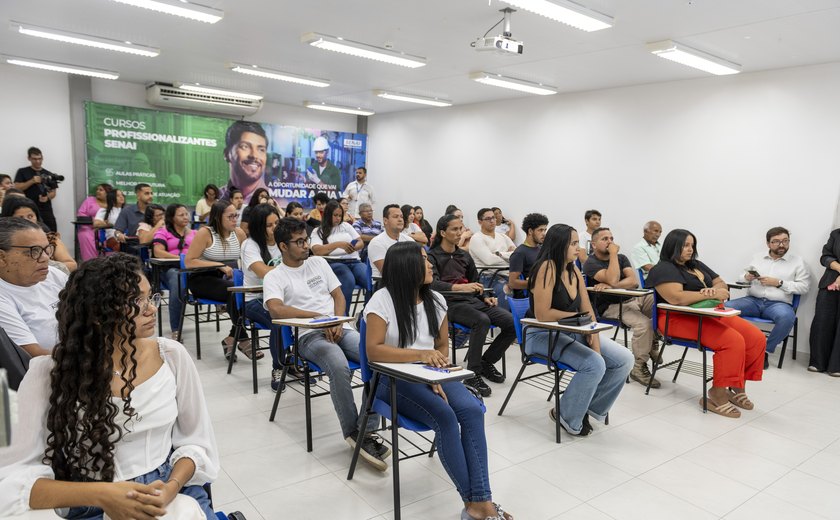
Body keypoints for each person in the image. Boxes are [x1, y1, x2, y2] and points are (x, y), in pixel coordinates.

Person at [0, 254, 219, 518]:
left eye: (151, 297)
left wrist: (171, 487)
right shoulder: (49, 373)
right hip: (87, 498)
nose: (151, 308)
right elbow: (13, 476)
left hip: (165, 485)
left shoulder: (171, 356)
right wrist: (102, 495)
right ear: (98, 312)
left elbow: (196, 440)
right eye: (136, 301)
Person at [365, 242, 514, 520]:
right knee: (445, 416)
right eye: (424, 260)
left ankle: (480, 502)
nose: (431, 264)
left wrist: (433, 371)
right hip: (392, 379)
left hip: (430, 374)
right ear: (407, 266)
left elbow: (442, 346)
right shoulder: (381, 300)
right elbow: (374, 351)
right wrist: (421, 356)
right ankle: (478, 505)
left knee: (471, 410)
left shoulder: (435, 300)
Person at [263, 217, 388, 470]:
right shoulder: (275, 276)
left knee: (376, 358)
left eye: (306, 239)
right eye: (299, 242)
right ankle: (353, 432)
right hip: (307, 336)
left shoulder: (318, 262)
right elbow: (276, 310)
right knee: (339, 366)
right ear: (283, 247)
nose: (305, 245)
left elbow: (338, 295)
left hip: (338, 328)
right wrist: (318, 318)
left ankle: (366, 427)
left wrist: (336, 321)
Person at [526, 224, 634, 436]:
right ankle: (566, 415)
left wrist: (593, 336)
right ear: (559, 245)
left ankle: (583, 407)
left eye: (578, 243)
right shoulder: (546, 268)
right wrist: (578, 319)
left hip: (573, 330)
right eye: (573, 244)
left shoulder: (573, 269)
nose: (579, 248)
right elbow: (543, 315)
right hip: (541, 334)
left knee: (625, 359)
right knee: (594, 365)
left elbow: (587, 310)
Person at [646, 229, 766, 418]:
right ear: (673, 246)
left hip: (708, 314)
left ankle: (735, 385)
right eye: (685, 245)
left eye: (692, 245)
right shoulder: (663, 268)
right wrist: (707, 293)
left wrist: (716, 290)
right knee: (732, 341)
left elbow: (720, 283)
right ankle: (716, 395)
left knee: (756, 337)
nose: (690, 249)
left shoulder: (696, 265)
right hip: (676, 318)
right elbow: (676, 297)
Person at [428, 215, 516, 397]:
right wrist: (460, 287)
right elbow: (432, 284)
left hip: (472, 300)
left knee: (511, 322)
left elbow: (475, 282)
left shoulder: (463, 255)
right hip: (448, 303)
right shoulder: (432, 256)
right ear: (443, 233)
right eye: (454, 229)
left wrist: (485, 297)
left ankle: (485, 362)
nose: (460, 232)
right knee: (481, 321)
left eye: (461, 228)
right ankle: (473, 373)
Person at [583, 227, 659, 388]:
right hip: (610, 306)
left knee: (659, 303)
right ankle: (638, 367)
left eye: (611, 238)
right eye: (605, 239)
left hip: (633, 299)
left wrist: (611, 285)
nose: (610, 242)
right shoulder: (590, 263)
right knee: (644, 324)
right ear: (594, 245)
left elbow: (633, 282)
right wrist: (612, 256)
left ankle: (652, 342)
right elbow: (612, 276)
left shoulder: (622, 257)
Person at [728, 226, 811, 369]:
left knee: (787, 318)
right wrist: (747, 277)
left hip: (778, 304)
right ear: (768, 244)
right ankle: (736, 345)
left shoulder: (798, 261)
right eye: (776, 241)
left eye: (785, 241)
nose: (781, 245)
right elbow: (741, 278)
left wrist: (779, 283)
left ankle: (763, 351)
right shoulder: (757, 257)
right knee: (725, 308)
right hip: (752, 301)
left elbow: (804, 287)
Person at [185, 200, 257, 360]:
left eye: (236, 216)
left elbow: (247, 260)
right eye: (230, 216)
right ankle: (244, 339)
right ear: (218, 217)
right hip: (201, 279)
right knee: (234, 293)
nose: (234, 220)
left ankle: (231, 338)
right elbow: (189, 261)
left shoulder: (239, 234)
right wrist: (219, 265)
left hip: (226, 280)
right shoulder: (205, 233)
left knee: (243, 292)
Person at [0, 217, 68, 357]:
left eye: (47, 249)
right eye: (34, 251)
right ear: (2, 257)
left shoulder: (53, 275)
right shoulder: (3, 297)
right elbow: (35, 355)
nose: (45, 258)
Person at [239, 203, 286, 391]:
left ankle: (295, 362)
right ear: (259, 226)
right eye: (269, 225)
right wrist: (290, 272)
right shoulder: (250, 245)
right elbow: (264, 272)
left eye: (277, 223)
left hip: (282, 296)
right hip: (254, 299)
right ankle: (279, 368)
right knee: (279, 319)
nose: (275, 228)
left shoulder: (283, 241)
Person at [310, 201, 367, 314]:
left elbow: (360, 242)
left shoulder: (346, 226)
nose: (338, 218)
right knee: (348, 280)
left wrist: (354, 247)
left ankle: (365, 314)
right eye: (335, 215)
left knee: (370, 280)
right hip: (334, 263)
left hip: (354, 260)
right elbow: (316, 250)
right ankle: (343, 317)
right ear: (327, 215)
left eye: (340, 215)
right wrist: (338, 245)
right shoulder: (318, 230)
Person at [152, 204, 196, 340]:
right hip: (170, 269)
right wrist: (181, 258)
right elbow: (157, 251)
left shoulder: (195, 233)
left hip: (192, 269)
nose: (185, 217)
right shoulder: (163, 232)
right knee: (178, 279)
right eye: (181, 215)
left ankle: (222, 304)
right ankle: (176, 329)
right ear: (171, 218)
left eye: (186, 214)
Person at [1, 197, 76, 274]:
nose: (27, 221)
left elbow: (72, 265)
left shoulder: (50, 239)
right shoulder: (4, 243)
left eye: (30, 216)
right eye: (20, 218)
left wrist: (43, 267)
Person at [469, 208, 516, 311]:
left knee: (529, 286)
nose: (492, 221)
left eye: (493, 218)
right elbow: (489, 261)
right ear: (480, 222)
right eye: (488, 219)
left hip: (507, 274)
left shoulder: (503, 237)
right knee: (506, 288)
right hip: (487, 276)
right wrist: (508, 256)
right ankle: (506, 323)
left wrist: (499, 254)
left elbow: (516, 256)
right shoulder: (477, 238)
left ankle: (520, 320)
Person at [808, 227, 840, 376]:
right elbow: (825, 257)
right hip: (830, 283)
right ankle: (817, 362)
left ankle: (836, 366)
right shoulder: (836, 233)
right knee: (822, 322)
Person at [220, 120, 268, 203]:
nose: (254, 155)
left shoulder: (274, 201)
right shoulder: (217, 197)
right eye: (245, 146)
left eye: (261, 149)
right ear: (227, 154)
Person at [14, 147, 58, 232]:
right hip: (28, 208)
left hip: (46, 210)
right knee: (29, 232)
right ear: (29, 158)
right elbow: (17, 187)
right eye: (34, 159)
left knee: (51, 232)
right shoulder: (22, 171)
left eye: (39, 158)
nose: (38, 161)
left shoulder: (49, 174)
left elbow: (53, 193)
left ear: (42, 158)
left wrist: (47, 197)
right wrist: (32, 181)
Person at [368, 204, 413, 279]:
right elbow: (387, 272)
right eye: (395, 217)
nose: (400, 219)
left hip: (408, 280)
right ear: (385, 221)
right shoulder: (376, 243)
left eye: (401, 216)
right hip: (385, 283)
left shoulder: (409, 240)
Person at [509, 213, 548, 299]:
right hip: (531, 297)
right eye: (540, 230)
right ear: (530, 231)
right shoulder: (519, 253)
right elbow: (512, 283)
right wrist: (538, 284)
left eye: (545, 230)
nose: (544, 233)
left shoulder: (542, 249)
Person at [75, 183, 113, 261]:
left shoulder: (112, 204)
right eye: (97, 189)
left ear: (108, 193)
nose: (98, 191)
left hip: (106, 229)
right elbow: (80, 214)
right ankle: (91, 263)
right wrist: (93, 219)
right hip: (88, 228)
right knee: (85, 235)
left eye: (101, 190)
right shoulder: (89, 200)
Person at [114, 183, 154, 254]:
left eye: (151, 193)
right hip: (134, 245)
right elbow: (117, 231)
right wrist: (119, 235)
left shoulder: (156, 210)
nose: (150, 196)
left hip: (154, 244)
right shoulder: (127, 211)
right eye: (147, 193)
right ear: (138, 196)